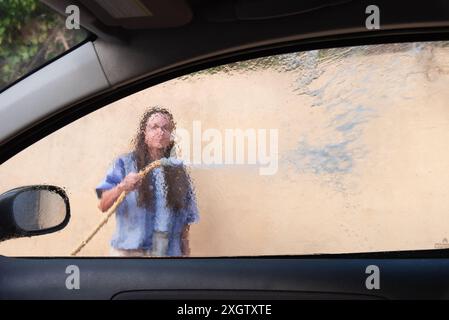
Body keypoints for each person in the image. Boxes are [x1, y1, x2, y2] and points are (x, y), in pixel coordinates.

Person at [95, 107, 199, 257]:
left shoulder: (178, 170)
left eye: (165, 128)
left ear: (171, 135)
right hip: (130, 253)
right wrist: (122, 186)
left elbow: (186, 218)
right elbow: (103, 205)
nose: (161, 132)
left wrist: (185, 252)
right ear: (144, 133)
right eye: (154, 127)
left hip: (167, 253)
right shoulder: (124, 164)